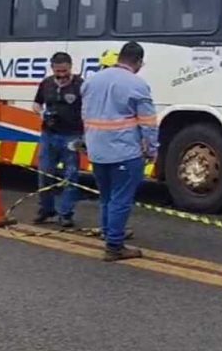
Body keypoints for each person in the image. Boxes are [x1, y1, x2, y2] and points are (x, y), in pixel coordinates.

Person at [81, 41, 158, 261]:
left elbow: (85, 116)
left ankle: (108, 233)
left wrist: (89, 143)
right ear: (139, 62)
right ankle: (114, 246)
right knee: (120, 199)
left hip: (97, 151)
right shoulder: (137, 84)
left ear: (119, 58)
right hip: (124, 152)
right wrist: (152, 150)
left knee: (106, 197)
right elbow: (148, 123)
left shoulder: (91, 81)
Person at [32, 52, 84, 227]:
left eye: (64, 71)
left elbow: (88, 109)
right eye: (58, 71)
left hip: (72, 135)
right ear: (52, 68)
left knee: (71, 176)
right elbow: (36, 103)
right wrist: (41, 113)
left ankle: (66, 214)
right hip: (49, 135)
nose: (61, 75)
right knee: (45, 173)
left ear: (70, 67)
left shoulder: (80, 85)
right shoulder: (46, 84)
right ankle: (46, 209)